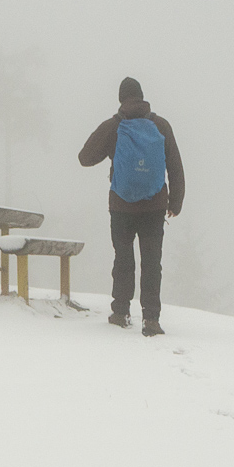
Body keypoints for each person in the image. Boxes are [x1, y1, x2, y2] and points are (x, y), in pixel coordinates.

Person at [78, 76, 185, 336]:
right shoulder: (161, 125)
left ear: (121, 99)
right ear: (142, 96)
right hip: (154, 207)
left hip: (121, 206)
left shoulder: (114, 126)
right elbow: (175, 165)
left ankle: (120, 311)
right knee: (152, 261)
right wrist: (176, 202)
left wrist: (110, 141)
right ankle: (151, 319)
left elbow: (85, 157)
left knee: (123, 259)